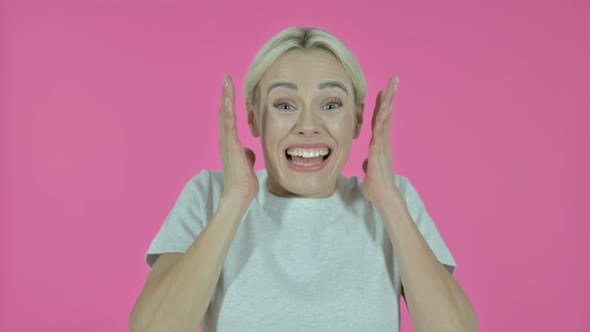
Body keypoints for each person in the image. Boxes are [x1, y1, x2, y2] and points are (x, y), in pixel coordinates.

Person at [129, 26, 478, 332]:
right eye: (285, 104)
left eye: (330, 104)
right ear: (253, 119)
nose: (308, 125)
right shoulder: (210, 195)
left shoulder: (394, 201)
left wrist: (389, 201)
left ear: (357, 120)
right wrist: (236, 199)